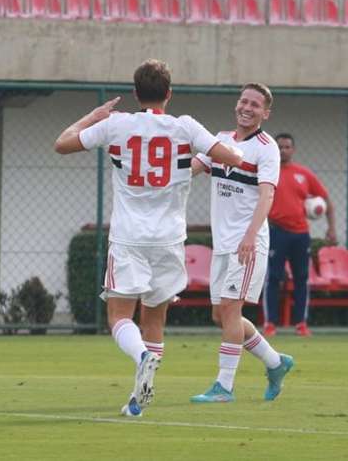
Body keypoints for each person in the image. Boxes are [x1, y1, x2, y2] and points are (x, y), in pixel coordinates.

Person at [54, 59, 242, 416]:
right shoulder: (184, 126)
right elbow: (229, 156)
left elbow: (61, 144)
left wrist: (92, 117)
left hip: (129, 237)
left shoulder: (116, 124)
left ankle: (141, 355)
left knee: (118, 317)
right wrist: (193, 162)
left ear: (136, 93)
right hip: (170, 238)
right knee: (154, 319)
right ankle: (139, 399)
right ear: (169, 94)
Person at [189, 83, 294, 403]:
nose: (247, 108)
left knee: (231, 312)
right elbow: (191, 168)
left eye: (255, 104)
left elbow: (267, 194)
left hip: (247, 244)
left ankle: (224, 386)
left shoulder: (266, 148)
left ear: (265, 112)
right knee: (221, 316)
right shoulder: (220, 142)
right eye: (243, 101)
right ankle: (276, 362)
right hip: (222, 245)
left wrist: (250, 236)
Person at [262, 133, 337, 337]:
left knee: (302, 278)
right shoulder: (268, 172)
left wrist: (331, 228)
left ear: (293, 150)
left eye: (287, 147)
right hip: (276, 231)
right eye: (279, 147)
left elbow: (326, 199)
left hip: (301, 234)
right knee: (273, 278)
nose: (283, 150)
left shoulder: (303, 174)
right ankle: (270, 324)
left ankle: (300, 324)